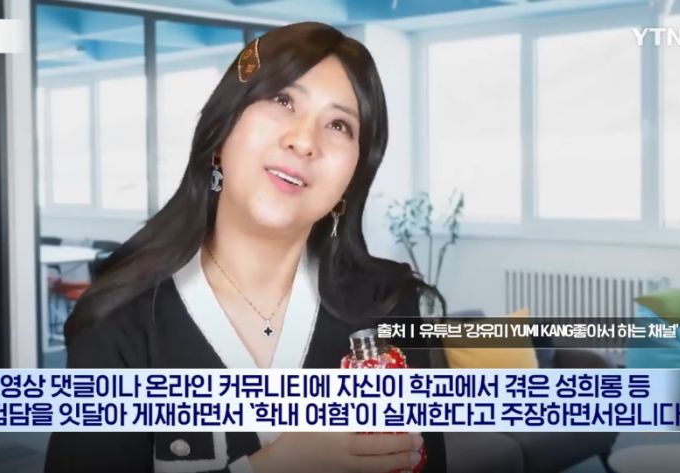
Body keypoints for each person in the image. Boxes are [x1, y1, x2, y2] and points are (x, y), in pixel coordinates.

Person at [44, 21, 448, 473]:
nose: (304, 141)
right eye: (282, 100)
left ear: (353, 177)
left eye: (339, 124)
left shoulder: (389, 305)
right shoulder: (119, 320)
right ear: (221, 133)